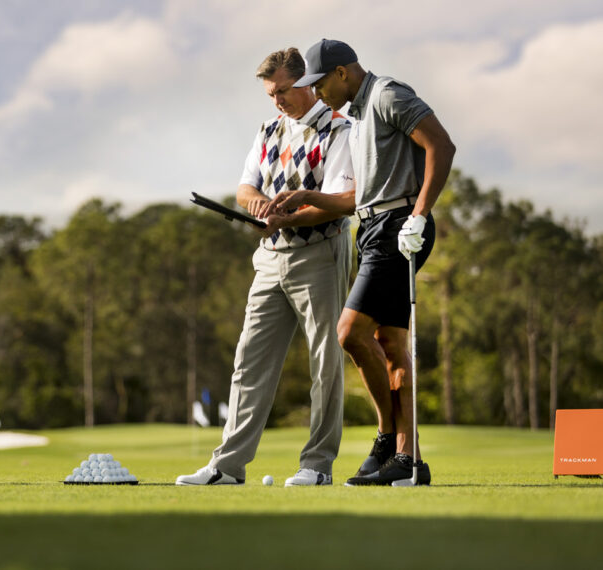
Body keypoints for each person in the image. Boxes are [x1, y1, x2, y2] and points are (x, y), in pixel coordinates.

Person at [266, 39, 455, 485]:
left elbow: (441, 147)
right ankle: (405, 458)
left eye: (320, 84)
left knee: (350, 332)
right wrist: (310, 197)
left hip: (398, 226)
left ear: (343, 73)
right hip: (371, 228)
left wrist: (420, 215)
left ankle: (391, 441)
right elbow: (360, 197)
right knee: (389, 344)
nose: (319, 93)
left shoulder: (388, 95)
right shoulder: (358, 113)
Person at [176, 48, 355, 487]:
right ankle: (227, 467)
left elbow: (333, 205)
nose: (277, 101)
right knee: (249, 361)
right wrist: (256, 204)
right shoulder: (269, 129)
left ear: (308, 82)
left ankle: (317, 466)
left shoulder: (341, 130)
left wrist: (288, 217)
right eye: (271, 94)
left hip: (321, 253)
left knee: (324, 363)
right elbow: (244, 186)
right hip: (270, 258)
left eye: (283, 91)